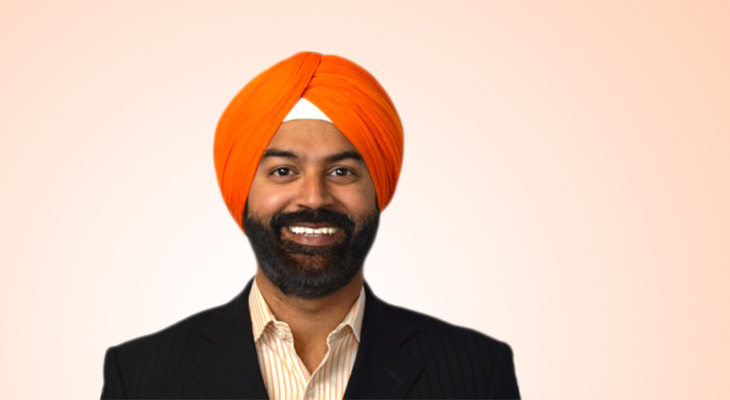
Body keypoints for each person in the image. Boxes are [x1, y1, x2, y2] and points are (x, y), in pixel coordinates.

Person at [101, 51, 520, 399]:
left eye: (342, 172)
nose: (315, 197)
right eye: (283, 171)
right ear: (242, 190)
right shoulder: (140, 378)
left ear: (378, 188)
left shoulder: (476, 374)